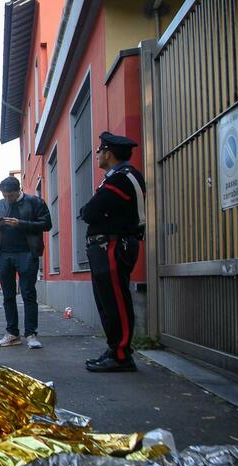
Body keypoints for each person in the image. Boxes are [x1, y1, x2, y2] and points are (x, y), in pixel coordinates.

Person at [80, 131, 146, 372]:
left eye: (99, 151)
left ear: (108, 153)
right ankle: (114, 349)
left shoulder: (121, 178)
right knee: (108, 302)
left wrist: (89, 208)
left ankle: (121, 355)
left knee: (116, 302)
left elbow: (90, 212)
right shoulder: (118, 177)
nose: (97, 155)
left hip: (114, 244)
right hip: (107, 245)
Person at [0, 176, 52, 349]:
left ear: (19, 190)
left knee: (28, 294)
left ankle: (31, 334)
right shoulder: (0, 204)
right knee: (8, 296)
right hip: (4, 254)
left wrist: (21, 224)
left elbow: (47, 224)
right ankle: (12, 334)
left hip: (27, 253)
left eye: (11, 195)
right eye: (5, 195)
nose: (8, 199)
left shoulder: (35, 202)